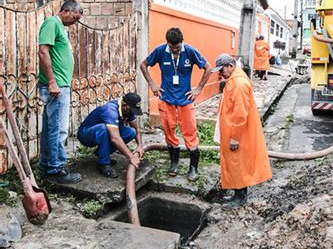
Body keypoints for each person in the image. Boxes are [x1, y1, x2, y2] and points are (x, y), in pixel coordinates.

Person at [140, 27, 212, 181]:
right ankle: (174, 164)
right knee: (169, 131)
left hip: (185, 100)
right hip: (166, 99)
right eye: (172, 48)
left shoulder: (190, 51)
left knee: (190, 132)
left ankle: (193, 169)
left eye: (177, 47)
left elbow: (208, 68)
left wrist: (198, 89)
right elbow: (143, 65)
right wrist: (152, 84)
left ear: (182, 42)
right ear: (167, 44)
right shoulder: (160, 51)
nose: (175, 51)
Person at [212, 53, 272, 209]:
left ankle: (240, 197)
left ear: (230, 66)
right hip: (232, 130)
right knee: (235, 163)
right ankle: (236, 193)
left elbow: (240, 114)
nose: (220, 73)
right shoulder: (234, 80)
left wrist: (234, 138)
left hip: (237, 133)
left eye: (222, 70)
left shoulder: (239, 84)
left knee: (238, 164)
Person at [38, 0, 83, 184]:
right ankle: (55, 169)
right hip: (56, 87)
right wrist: (52, 82)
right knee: (58, 129)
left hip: (59, 85)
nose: (76, 21)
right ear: (65, 11)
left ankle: (47, 165)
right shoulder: (51, 23)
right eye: (75, 17)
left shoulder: (61, 28)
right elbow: (43, 51)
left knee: (50, 128)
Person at [77, 93, 144, 178]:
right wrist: (131, 157)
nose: (133, 113)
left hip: (104, 132)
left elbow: (137, 129)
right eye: (132, 109)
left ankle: (101, 153)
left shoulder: (128, 111)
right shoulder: (110, 110)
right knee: (104, 129)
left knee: (131, 132)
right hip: (86, 134)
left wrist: (140, 146)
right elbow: (115, 138)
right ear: (125, 105)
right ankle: (103, 164)